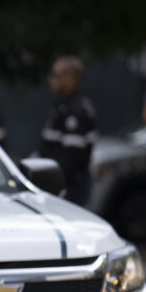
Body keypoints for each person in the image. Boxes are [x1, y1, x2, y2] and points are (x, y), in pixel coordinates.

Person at [38, 55, 97, 205]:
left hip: (70, 187)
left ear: (70, 78)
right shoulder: (63, 105)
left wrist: (55, 183)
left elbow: (71, 158)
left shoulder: (75, 110)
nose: (51, 79)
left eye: (56, 75)